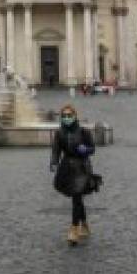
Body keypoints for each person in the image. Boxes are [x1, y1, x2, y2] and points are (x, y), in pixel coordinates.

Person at [50, 104, 98, 244]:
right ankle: (84, 224)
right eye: (64, 116)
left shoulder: (84, 132)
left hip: (82, 167)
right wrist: (54, 162)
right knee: (77, 198)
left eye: (69, 115)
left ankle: (74, 229)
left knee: (76, 197)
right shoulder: (59, 133)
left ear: (75, 116)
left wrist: (86, 150)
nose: (66, 118)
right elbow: (56, 150)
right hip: (67, 167)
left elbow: (92, 149)